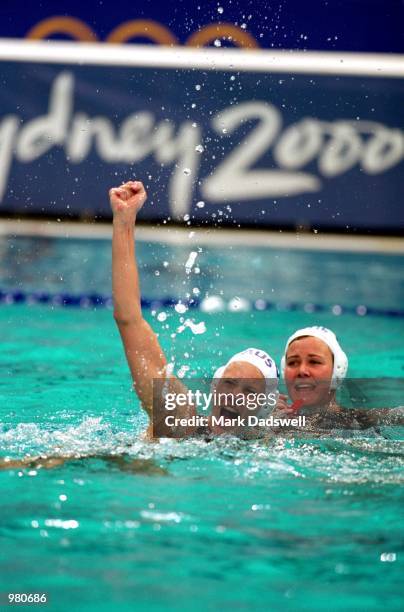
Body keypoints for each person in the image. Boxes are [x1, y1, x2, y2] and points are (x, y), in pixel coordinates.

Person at [110, 180, 279, 439]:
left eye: (250, 393)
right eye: (230, 384)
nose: (235, 397)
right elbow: (129, 320)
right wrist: (124, 221)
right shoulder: (181, 419)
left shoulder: (269, 447)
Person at [275, 326, 404, 430]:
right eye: (292, 363)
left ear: (337, 370)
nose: (302, 371)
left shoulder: (361, 420)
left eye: (314, 362)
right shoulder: (273, 420)